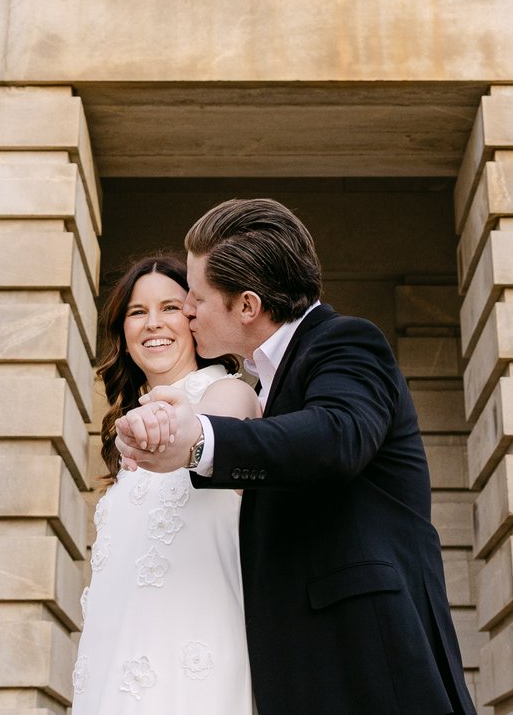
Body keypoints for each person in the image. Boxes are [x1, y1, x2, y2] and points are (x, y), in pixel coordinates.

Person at [117, 199, 474, 715]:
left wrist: (200, 441)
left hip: (370, 658)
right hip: (305, 668)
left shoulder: (347, 343)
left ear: (246, 305)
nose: (186, 310)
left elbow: (336, 436)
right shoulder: (262, 382)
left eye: (195, 297)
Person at [73, 252, 260, 713]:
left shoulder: (227, 392)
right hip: (110, 668)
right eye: (138, 312)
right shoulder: (126, 430)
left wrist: (170, 425)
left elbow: (219, 433)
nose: (153, 323)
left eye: (170, 308)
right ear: (124, 332)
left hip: (193, 667)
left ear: (195, 318)